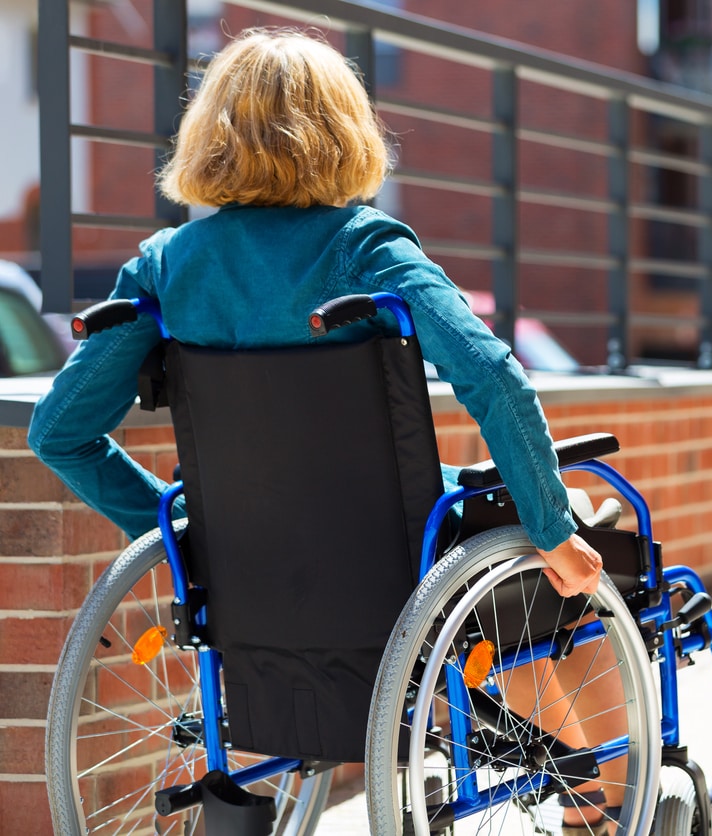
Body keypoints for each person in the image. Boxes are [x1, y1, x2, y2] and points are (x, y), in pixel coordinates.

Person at [28, 28, 619, 834]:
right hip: (397, 564)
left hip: (251, 574)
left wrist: (189, 544)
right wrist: (552, 527)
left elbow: (60, 432)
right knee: (564, 558)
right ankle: (605, 808)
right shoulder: (366, 247)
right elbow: (493, 377)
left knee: (505, 550)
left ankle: (590, 797)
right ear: (344, 131)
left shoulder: (167, 266)